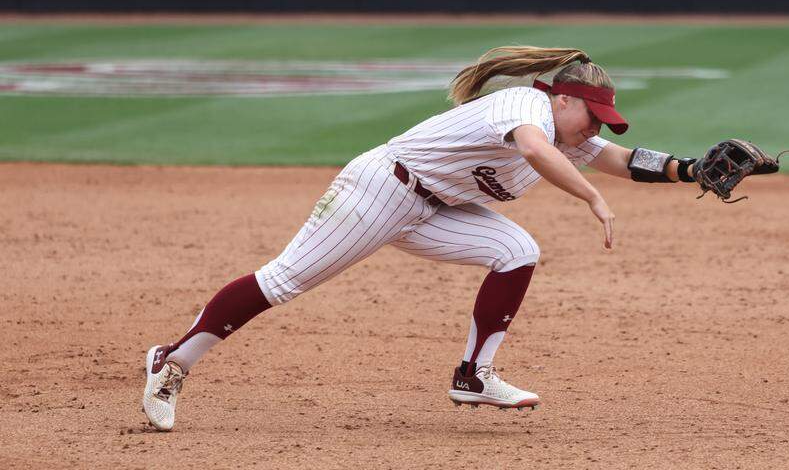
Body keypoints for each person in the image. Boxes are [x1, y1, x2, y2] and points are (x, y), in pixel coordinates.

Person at [142, 46, 708, 431]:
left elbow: (627, 160)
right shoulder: (526, 106)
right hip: (382, 189)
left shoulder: (568, 134)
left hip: (436, 210)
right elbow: (535, 150)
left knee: (517, 251)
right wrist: (590, 197)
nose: (596, 127)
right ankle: (172, 362)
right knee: (285, 280)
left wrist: (692, 169)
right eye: (592, 114)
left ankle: (473, 377)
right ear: (561, 98)